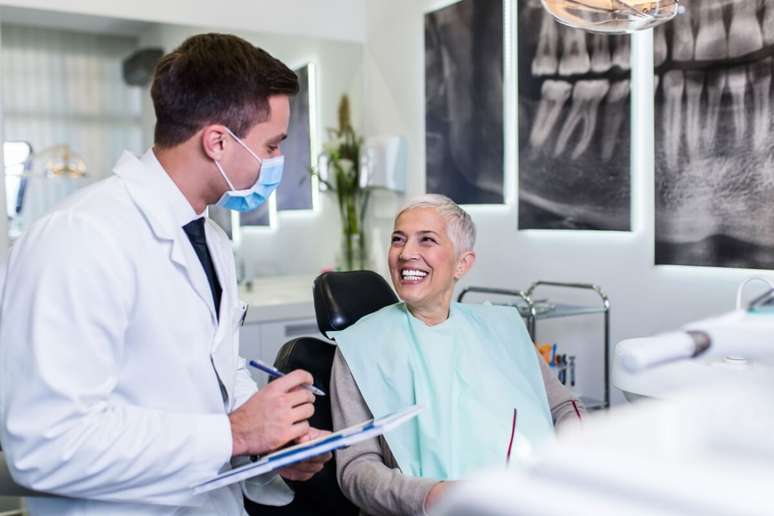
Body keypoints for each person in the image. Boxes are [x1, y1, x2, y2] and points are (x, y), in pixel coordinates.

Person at [0, 33, 330, 515]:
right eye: (273, 145)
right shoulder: (81, 236)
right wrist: (235, 433)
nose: (278, 162)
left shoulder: (210, 239)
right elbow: (46, 446)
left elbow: (216, 371)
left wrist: (268, 446)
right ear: (218, 141)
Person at [330, 194, 585, 515]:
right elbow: (356, 468)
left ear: (462, 263)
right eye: (398, 239)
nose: (407, 253)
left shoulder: (502, 326)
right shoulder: (359, 346)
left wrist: (580, 455)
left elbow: (563, 406)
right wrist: (432, 496)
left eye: (427, 240)